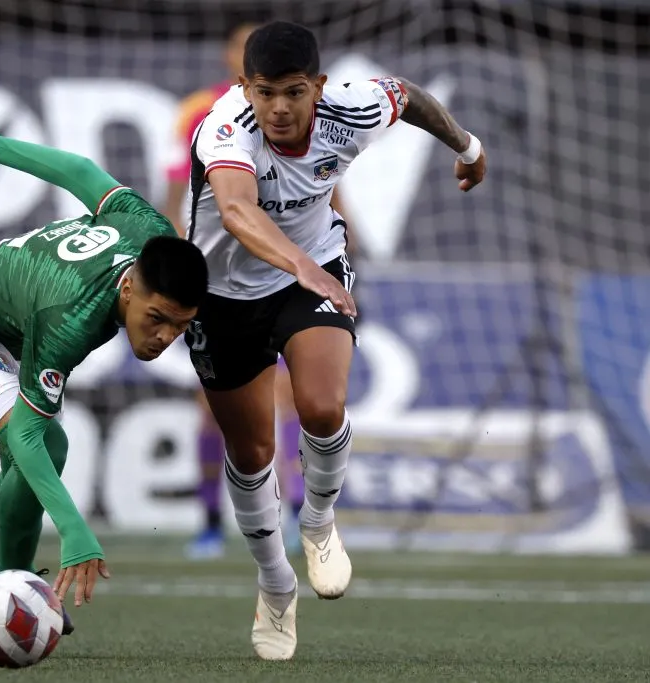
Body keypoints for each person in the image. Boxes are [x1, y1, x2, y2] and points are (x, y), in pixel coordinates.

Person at [183, 21, 486, 660]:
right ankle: (275, 584)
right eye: (265, 93)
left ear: (320, 86)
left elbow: (406, 96)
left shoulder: (351, 107)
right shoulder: (223, 129)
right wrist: (299, 264)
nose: (281, 108)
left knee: (321, 405)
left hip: (312, 268)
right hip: (224, 292)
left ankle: (318, 523)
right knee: (253, 449)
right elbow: (236, 212)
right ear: (245, 88)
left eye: (295, 91)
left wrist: (467, 144)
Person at [0, 85, 209, 623]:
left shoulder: (152, 232)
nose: (164, 337)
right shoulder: (71, 321)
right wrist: (75, 531)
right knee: (42, 444)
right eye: (156, 319)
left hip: (11, 315)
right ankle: (3, 593)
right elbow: (24, 433)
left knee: (38, 450)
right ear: (127, 291)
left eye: (179, 327)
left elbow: (81, 171)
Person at [166, 23, 352, 561]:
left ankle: (300, 515)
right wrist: (178, 262)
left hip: (287, 272)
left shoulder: (309, 120)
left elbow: (324, 185)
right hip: (217, 273)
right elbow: (177, 193)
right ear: (237, 64)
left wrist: (340, 255)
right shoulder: (202, 115)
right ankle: (208, 521)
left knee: (299, 398)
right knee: (216, 409)